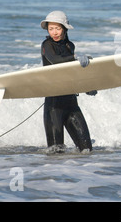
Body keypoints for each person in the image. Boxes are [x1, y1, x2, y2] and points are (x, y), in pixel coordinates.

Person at [40, 10, 95, 153]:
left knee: (87, 150)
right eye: (51, 29)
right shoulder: (46, 45)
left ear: (64, 28)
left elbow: (72, 72)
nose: (54, 32)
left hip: (71, 103)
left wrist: (87, 87)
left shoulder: (70, 46)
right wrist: (75, 58)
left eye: (57, 28)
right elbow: (56, 61)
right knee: (55, 153)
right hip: (54, 106)